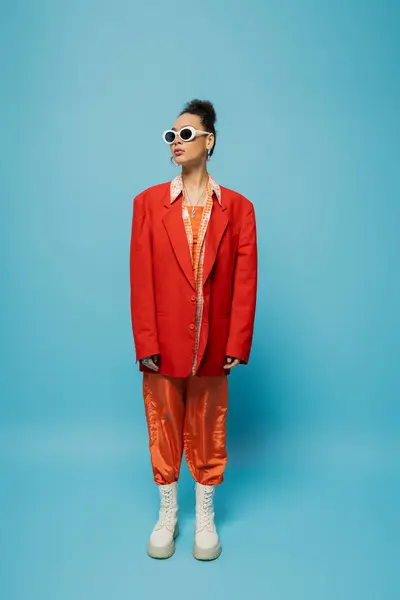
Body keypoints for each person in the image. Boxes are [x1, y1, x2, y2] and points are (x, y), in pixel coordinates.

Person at [129, 99, 258, 561]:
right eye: (171, 135)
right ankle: (168, 515)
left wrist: (238, 342)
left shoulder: (239, 209)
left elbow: (246, 281)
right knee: (162, 425)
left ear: (210, 140)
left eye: (186, 134)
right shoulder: (147, 204)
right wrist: (145, 340)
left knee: (208, 427)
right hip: (162, 342)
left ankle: (205, 515)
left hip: (214, 343)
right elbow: (140, 277)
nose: (176, 143)